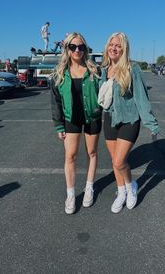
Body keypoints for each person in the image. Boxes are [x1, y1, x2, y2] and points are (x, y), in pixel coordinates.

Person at [98, 32, 159, 213]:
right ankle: (122, 191)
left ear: (124, 49)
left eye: (118, 46)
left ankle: (131, 187)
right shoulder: (104, 70)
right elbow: (103, 97)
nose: (114, 48)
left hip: (129, 120)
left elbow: (141, 98)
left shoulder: (133, 69)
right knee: (115, 160)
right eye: (111, 45)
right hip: (110, 119)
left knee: (119, 161)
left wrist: (151, 123)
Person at [50, 32, 102, 214]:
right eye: (73, 47)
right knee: (70, 156)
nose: (77, 50)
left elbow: (106, 93)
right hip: (70, 119)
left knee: (92, 153)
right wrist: (58, 125)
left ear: (85, 49)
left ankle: (89, 188)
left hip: (92, 117)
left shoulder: (95, 71)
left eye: (81, 47)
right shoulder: (59, 74)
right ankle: (70, 194)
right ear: (67, 49)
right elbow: (56, 101)